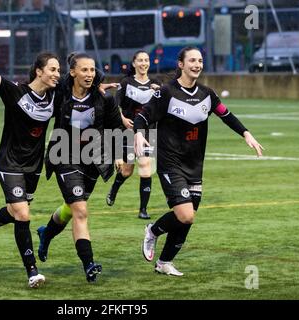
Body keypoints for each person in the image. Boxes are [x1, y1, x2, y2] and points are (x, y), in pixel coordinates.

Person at [134, 47, 264, 276]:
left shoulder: (207, 94)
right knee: (186, 214)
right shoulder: (166, 92)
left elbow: (226, 114)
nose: (197, 64)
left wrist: (246, 133)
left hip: (194, 165)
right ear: (181, 64)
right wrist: (138, 133)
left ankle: (164, 263)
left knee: (186, 219)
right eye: (192, 60)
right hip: (170, 162)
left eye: (200, 60)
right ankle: (152, 231)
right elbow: (143, 116)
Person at [0, 28, 61, 288]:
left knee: (14, 211)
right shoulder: (16, 93)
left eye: (59, 70)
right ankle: (33, 272)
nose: (57, 74)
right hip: (9, 162)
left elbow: (80, 92)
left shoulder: (54, 96)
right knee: (23, 213)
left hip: (34, 166)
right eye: (52, 69)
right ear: (39, 71)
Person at [37, 52, 123, 283]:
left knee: (71, 208)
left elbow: (117, 127)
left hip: (94, 158)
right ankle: (89, 264)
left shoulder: (104, 98)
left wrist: (120, 154)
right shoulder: (60, 94)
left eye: (92, 70)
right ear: (72, 72)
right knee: (81, 210)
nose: (89, 74)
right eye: (84, 70)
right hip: (64, 155)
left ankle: (46, 234)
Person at [106, 50, 161, 219]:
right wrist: (122, 119)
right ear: (134, 63)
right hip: (128, 132)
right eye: (140, 60)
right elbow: (114, 107)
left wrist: (160, 91)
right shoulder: (127, 82)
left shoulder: (156, 84)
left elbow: (164, 106)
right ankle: (114, 189)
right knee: (127, 171)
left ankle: (143, 210)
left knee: (145, 168)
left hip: (148, 132)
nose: (144, 63)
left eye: (146, 60)